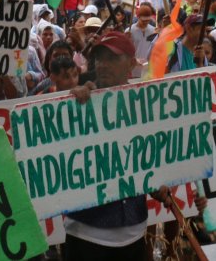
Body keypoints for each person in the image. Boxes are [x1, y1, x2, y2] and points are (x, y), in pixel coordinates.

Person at [63, 31, 168, 260]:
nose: (102, 65)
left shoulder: (145, 105)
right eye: (99, 58)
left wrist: (158, 184)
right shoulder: (80, 102)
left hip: (133, 232)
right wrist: (73, 106)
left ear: (131, 64)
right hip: (86, 233)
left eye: (112, 58)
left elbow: (146, 159)